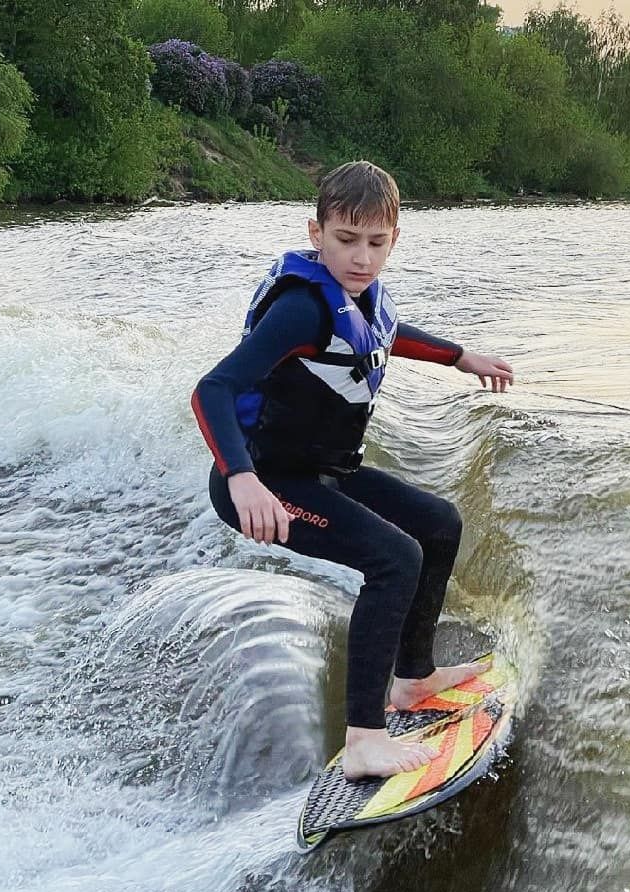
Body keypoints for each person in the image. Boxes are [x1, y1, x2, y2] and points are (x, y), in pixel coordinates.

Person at [191, 161, 514, 781]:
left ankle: (413, 678)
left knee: (439, 523)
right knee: (395, 558)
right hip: (267, 482)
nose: (361, 259)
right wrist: (241, 477)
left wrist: (459, 357)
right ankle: (365, 737)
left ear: (395, 238)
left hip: (325, 470)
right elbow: (212, 390)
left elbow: (384, 336)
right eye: (345, 240)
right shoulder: (298, 308)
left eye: (376, 243)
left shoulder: (359, 296)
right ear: (317, 233)